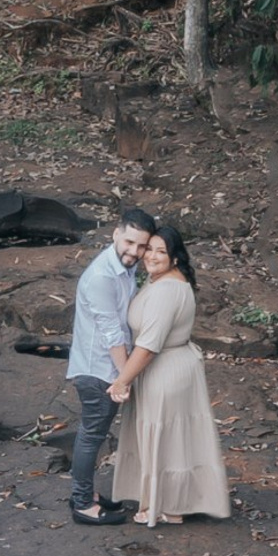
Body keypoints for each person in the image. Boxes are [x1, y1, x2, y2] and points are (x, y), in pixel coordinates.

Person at [107, 222, 231, 527]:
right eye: (149, 249)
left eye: (160, 251)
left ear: (175, 257)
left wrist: (122, 381)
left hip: (165, 370)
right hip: (173, 365)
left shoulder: (166, 290)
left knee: (167, 440)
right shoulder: (165, 280)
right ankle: (171, 500)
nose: (151, 256)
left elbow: (149, 346)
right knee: (175, 439)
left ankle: (168, 506)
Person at [64, 204, 156, 526]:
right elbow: (111, 333)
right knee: (91, 435)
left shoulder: (123, 267)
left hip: (106, 368)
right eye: (129, 242)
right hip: (98, 370)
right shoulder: (101, 277)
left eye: (141, 246)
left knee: (93, 434)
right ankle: (81, 504)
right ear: (116, 234)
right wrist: (123, 379)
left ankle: (85, 494)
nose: (134, 252)